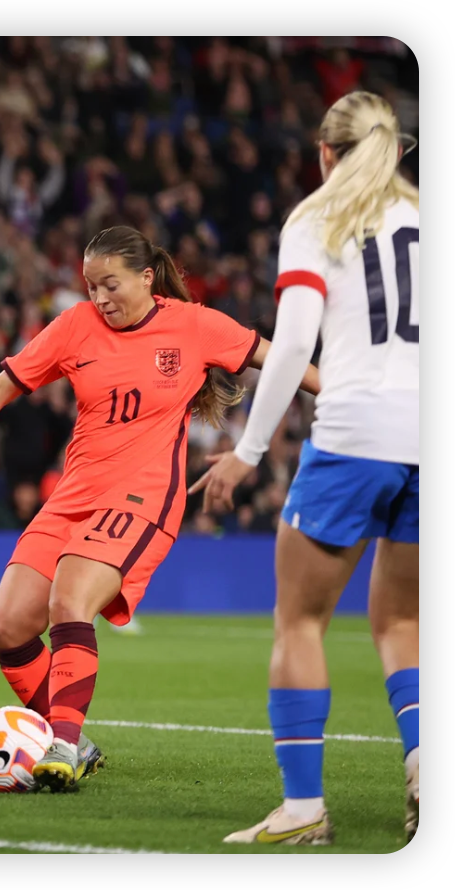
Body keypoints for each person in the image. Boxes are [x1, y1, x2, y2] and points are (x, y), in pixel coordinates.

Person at [0, 224, 320, 793]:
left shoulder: (194, 325)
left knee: (69, 600)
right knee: (8, 626)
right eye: (91, 286)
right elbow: (3, 385)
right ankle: (77, 743)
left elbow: (279, 358)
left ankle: (62, 746)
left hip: (143, 495)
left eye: (110, 284)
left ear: (146, 277)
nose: (100, 298)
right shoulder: (75, 325)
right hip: (74, 495)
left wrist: (343, 399)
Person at [191, 92, 419, 846]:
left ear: (325, 151)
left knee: (300, 620)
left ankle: (302, 808)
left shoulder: (318, 218)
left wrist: (248, 452)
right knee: (405, 621)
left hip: (356, 434)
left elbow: (291, 346)